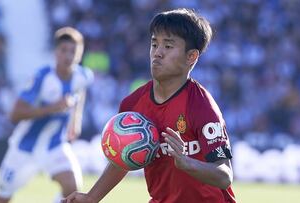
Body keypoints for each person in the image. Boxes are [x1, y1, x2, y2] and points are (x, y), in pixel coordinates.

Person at [63, 8, 236, 203]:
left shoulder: (201, 106)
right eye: (154, 44)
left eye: (168, 46)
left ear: (191, 57)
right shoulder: (133, 104)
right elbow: (124, 158)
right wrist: (91, 197)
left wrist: (187, 163)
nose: (158, 53)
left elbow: (224, 175)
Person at [0, 27, 93, 203]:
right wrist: (52, 108)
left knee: (72, 186)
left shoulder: (83, 76)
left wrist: (75, 121)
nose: (69, 56)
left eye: (74, 51)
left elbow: (80, 93)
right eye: (64, 50)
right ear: (55, 52)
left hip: (54, 145)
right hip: (24, 147)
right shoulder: (42, 78)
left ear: (80, 53)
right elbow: (14, 115)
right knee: (2, 198)